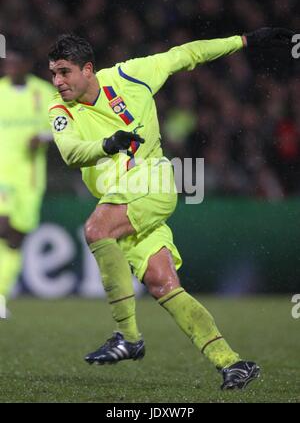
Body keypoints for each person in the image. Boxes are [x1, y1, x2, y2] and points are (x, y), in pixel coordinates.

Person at [48, 28, 293, 390]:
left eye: (64, 71)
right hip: (121, 202)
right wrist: (108, 143)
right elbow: (70, 153)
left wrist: (244, 41)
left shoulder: (131, 74)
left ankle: (128, 337)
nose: (57, 81)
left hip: (153, 182)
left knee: (97, 231)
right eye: (53, 73)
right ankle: (232, 363)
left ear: (88, 69)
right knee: (163, 285)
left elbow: (186, 54)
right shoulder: (59, 111)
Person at [0, 49, 54, 301]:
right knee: (3, 226)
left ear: (26, 64)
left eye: (15, 62)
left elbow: (62, 128)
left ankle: (0, 295)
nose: (10, 67)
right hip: (2, 174)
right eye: (7, 62)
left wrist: (42, 137)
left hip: (30, 177)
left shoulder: (42, 92)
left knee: (16, 238)